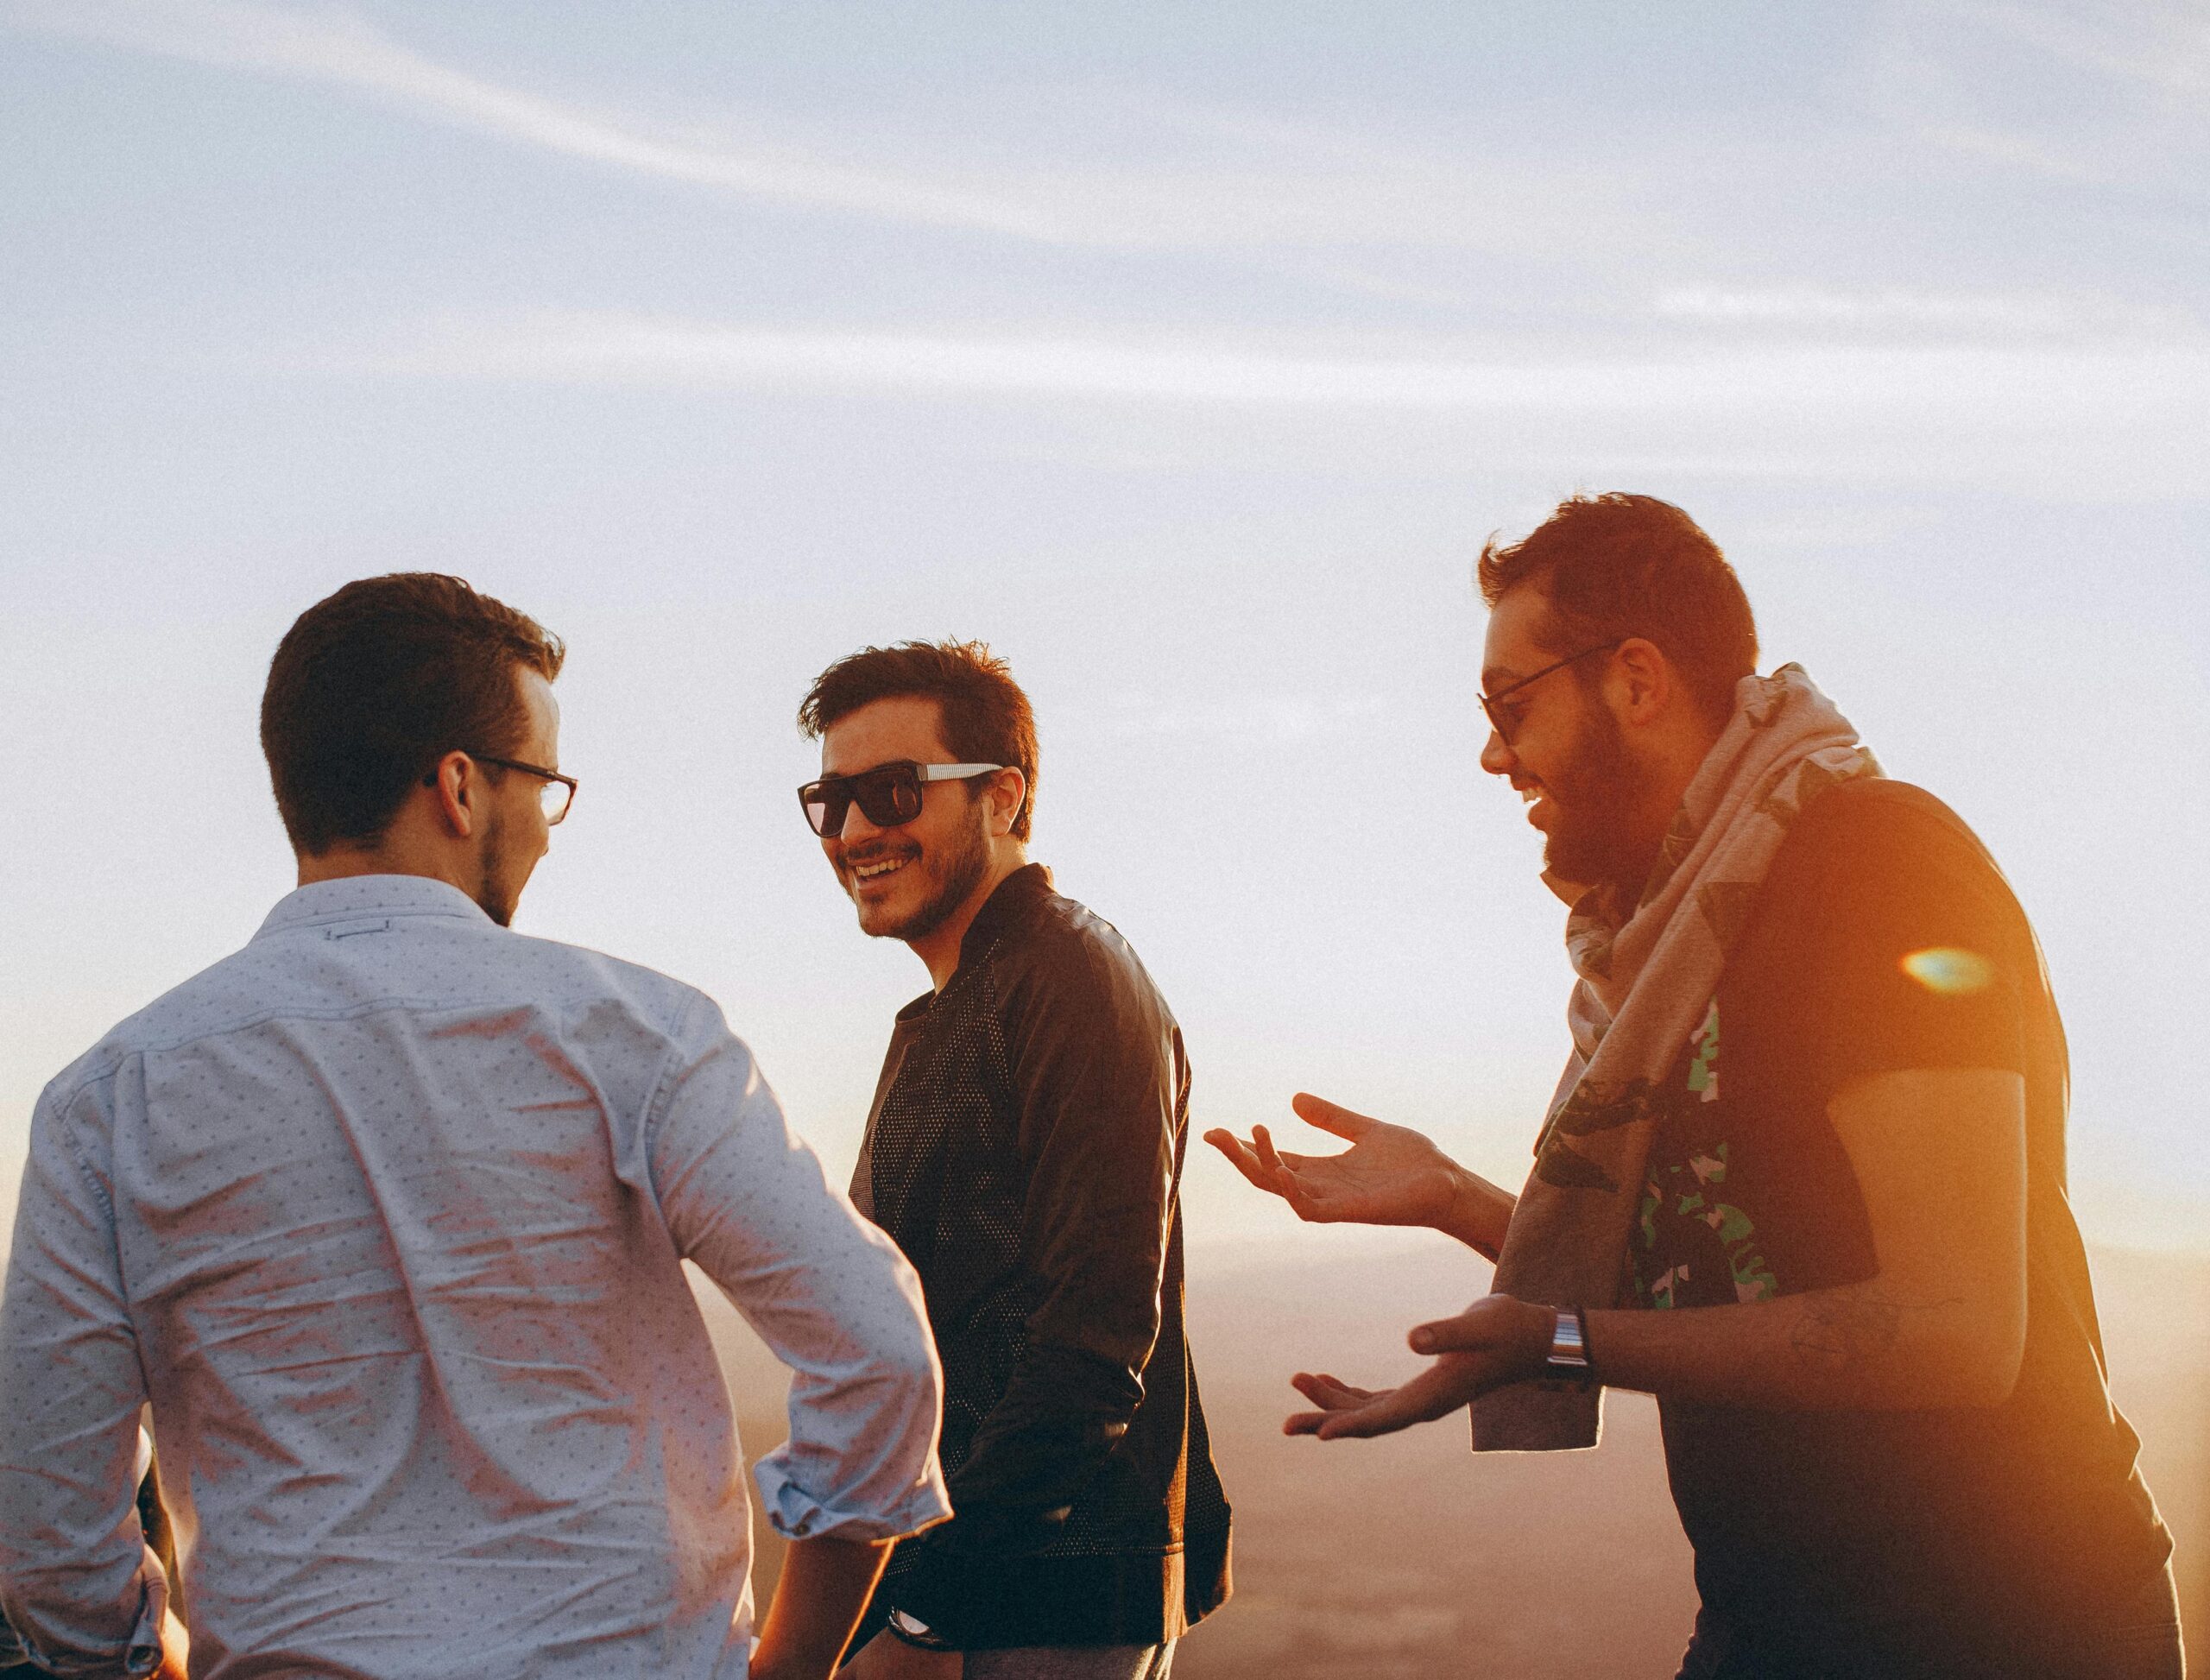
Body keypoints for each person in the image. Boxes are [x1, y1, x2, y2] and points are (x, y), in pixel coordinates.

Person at [1209, 495, 2182, 1680]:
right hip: (1771, 1619)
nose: (1491, 751)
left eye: (1511, 705)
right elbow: (1718, 1279)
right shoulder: (1670, 945)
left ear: (1635, 679)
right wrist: (1454, 1196)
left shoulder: (1876, 865)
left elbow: (1954, 1329)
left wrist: (1561, 1340)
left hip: (2006, 1621)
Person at [0, 574, 952, 1680]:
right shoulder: (637, 1035)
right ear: (459, 785)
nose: (546, 830)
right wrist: (788, 1670)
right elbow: (878, 1354)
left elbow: (51, 1531)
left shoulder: (105, 1103)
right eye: (541, 785)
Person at [796, 641, 1229, 1680]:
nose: (856, 829)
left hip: (1039, 1598)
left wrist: (930, 1617)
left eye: (894, 791)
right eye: (831, 799)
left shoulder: (1071, 975)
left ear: (1004, 795)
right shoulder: (952, 1009)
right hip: (959, 1586)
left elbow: (1095, 1329)